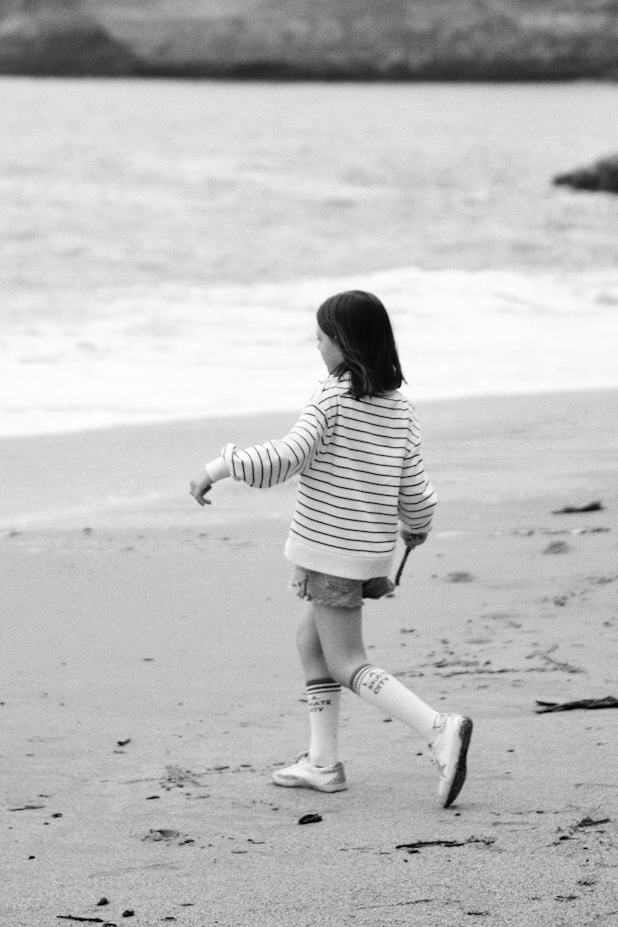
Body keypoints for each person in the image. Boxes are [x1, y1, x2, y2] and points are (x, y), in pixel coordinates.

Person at [189, 289, 472, 806]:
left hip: (331, 552)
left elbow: (286, 456)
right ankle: (322, 763)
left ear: (342, 344)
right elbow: (415, 487)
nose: (316, 346)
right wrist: (418, 525)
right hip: (367, 552)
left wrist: (221, 465)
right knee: (310, 641)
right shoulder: (400, 410)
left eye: (319, 338)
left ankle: (437, 727)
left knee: (346, 661)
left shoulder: (331, 398)